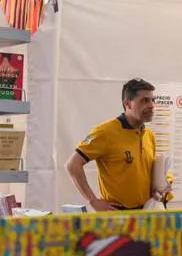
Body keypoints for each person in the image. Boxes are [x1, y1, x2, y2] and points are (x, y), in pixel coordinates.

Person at [66, 78, 167, 211]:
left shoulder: (149, 135)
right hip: (117, 216)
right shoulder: (105, 133)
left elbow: (145, 174)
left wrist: (159, 187)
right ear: (128, 104)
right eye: (144, 100)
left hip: (145, 213)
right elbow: (73, 164)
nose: (151, 105)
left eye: (152, 100)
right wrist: (93, 201)